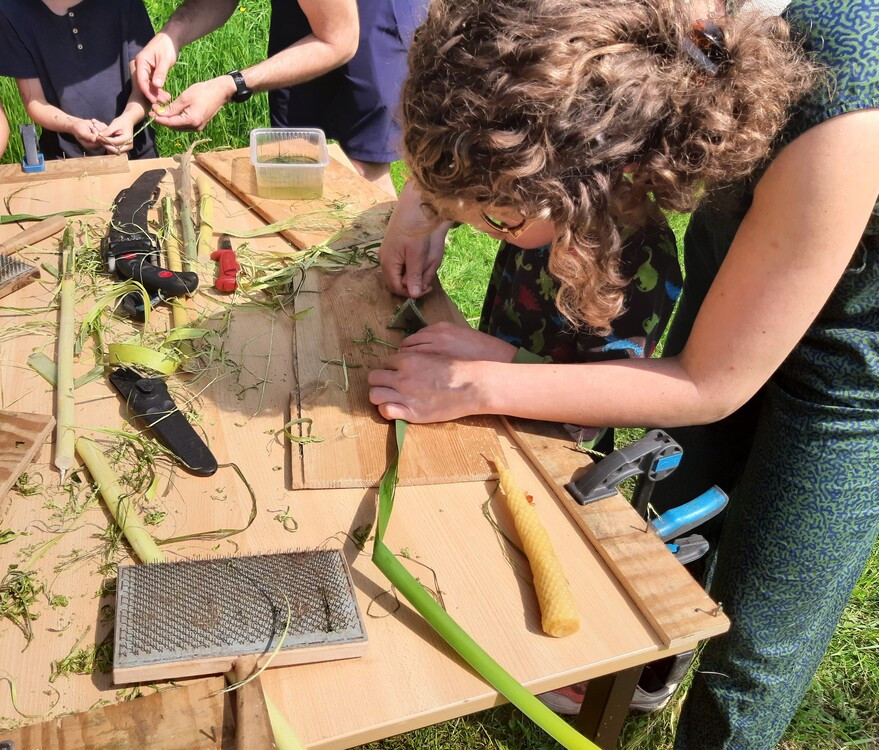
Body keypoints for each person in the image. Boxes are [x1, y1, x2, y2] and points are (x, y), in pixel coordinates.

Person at [368, 0, 879, 748]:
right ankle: (643, 671)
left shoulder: (842, 106)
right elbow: (491, 96)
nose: (474, 221)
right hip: (761, 216)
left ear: (601, 174)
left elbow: (709, 384)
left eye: (495, 216)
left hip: (858, 337)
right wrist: (424, 201)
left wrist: (480, 383)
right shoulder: (594, 34)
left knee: (759, 630)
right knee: (672, 502)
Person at [135, 0, 427, 196]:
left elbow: (338, 41)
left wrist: (233, 84)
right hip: (303, 10)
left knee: (360, 168)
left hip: (373, 18)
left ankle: (396, 269)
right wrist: (171, 37)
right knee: (295, 154)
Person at [0, 0, 156, 160]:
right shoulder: (13, 10)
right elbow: (34, 100)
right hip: (63, 161)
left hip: (138, 155)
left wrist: (129, 118)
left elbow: (144, 87)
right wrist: (72, 125)